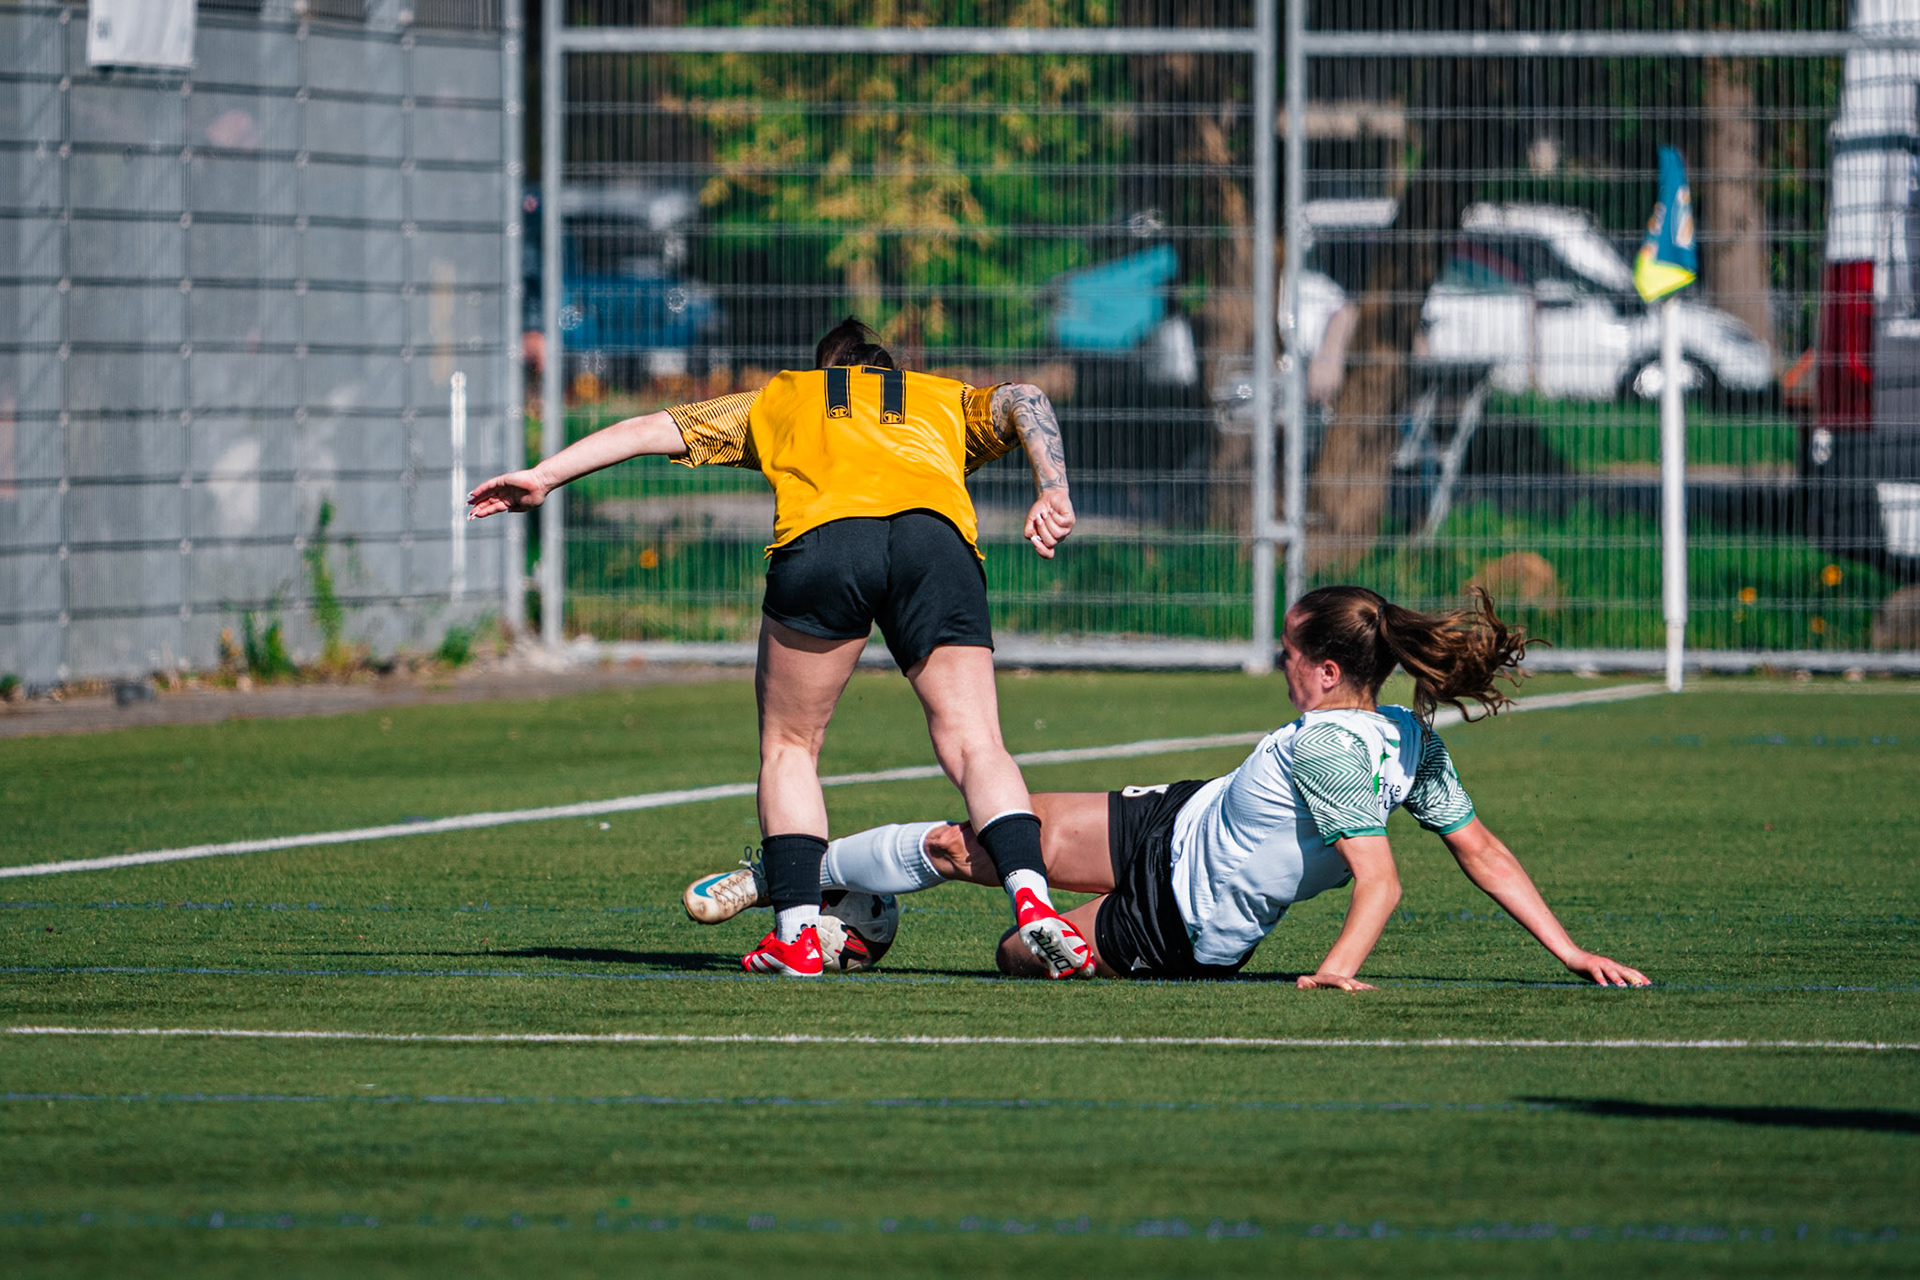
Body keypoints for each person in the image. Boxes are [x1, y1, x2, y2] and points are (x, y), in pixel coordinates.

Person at [467, 318, 1096, 979]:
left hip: (827, 541)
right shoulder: (937, 396)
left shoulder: (781, 397)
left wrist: (543, 474)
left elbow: (650, 429)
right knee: (977, 742)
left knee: (791, 745)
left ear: (824, 369)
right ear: (888, 369)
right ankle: (1034, 905)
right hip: (933, 543)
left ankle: (797, 934)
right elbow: (1027, 395)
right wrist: (1052, 489)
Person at [682, 585, 1650, 988]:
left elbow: (1384, 878)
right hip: (1172, 820)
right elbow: (1483, 849)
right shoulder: (1403, 735)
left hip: (1187, 920)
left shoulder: (1338, 748)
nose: (1280, 663)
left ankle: (850, 911)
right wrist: (1568, 948)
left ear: (1321, 669)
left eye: (1286, 652)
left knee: (1019, 953)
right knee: (967, 837)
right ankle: (784, 878)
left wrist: (1340, 968)